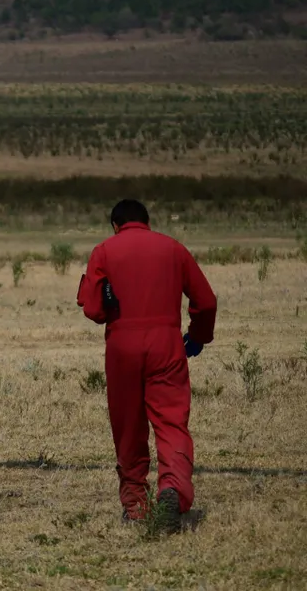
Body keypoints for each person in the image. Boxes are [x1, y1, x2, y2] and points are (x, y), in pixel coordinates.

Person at [76, 199, 216, 534]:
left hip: (122, 346)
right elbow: (206, 301)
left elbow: (93, 310)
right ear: (148, 221)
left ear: (115, 225)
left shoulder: (104, 251)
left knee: (128, 426)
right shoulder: (173, 248)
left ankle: (136, 505)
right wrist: (198, 336)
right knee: (171, 421)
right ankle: (173, 489)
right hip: (167, 344)